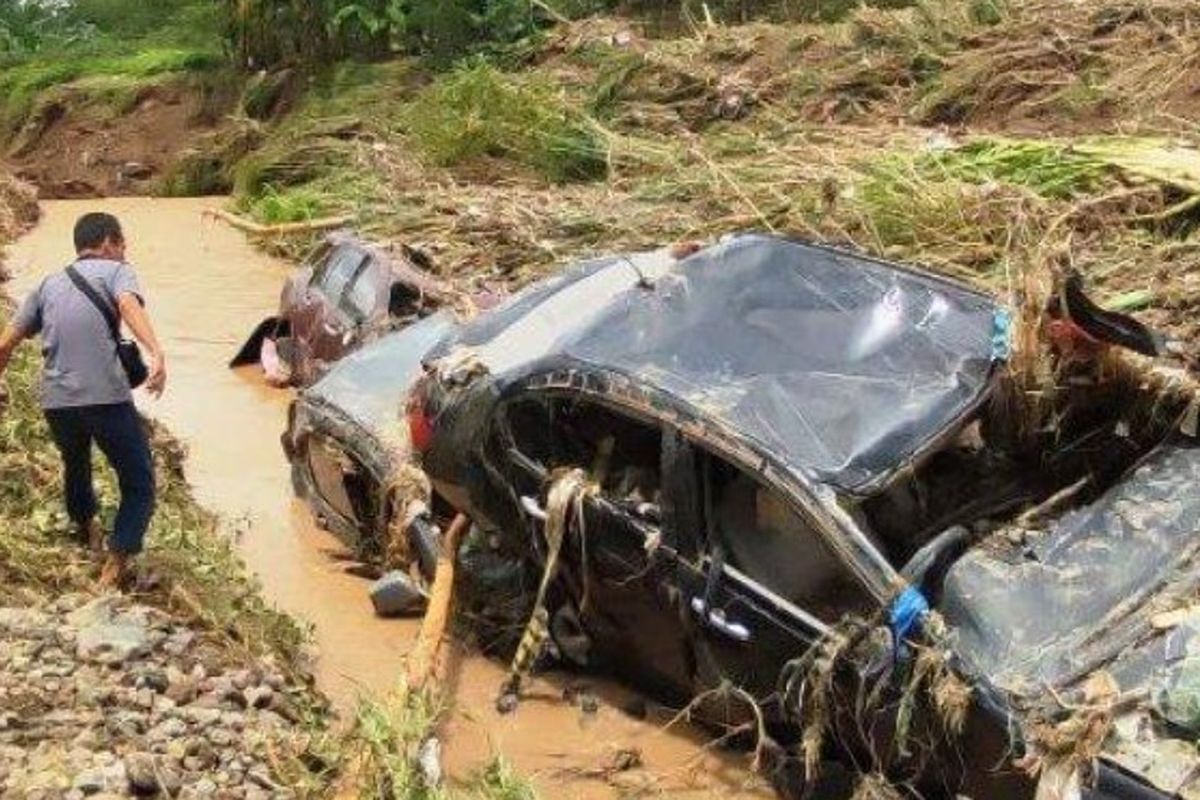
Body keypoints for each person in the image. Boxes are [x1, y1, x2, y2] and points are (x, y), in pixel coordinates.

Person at [0, 212, 166, 588]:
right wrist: (156, 351)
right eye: (122, 245)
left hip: (57, 402)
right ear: (108, 242)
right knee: (139, 480)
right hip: (106, 397)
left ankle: (86, 527)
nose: (124, 253)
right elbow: (127, 305)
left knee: (76, 465)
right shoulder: (117, 272)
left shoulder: (47, 284)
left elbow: (5, 343)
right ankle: (117, 557)